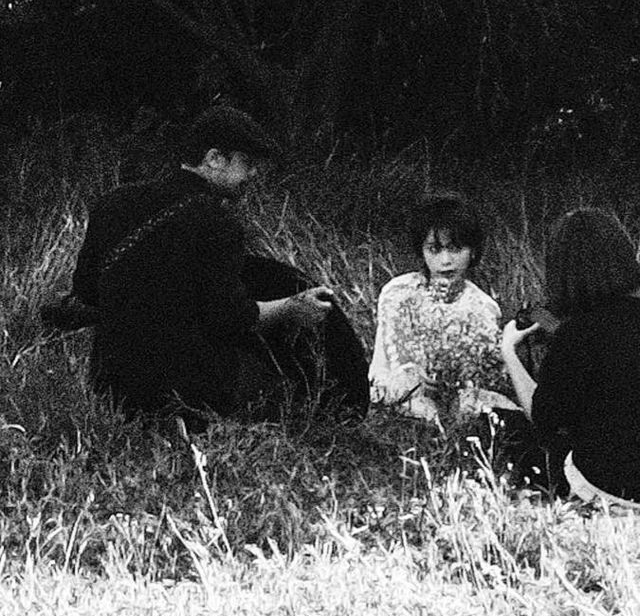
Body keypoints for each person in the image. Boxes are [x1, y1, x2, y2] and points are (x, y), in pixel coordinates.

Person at [59, 105, 367, 424]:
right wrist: (292, 307)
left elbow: (87, 290)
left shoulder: (114, 202)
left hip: (111, 386)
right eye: (247, 163)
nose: (253, 174)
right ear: (214, 158)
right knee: (291, 396)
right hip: (184, 393)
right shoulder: (216, 222)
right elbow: (232, 319)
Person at [501, 209, 640, 507]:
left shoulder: (575, 335)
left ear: (559, 271)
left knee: (513, 430)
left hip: (609, 485)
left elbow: (543, 418)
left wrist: (509, 352)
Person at [369, 194, 518, 422]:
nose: (446, 260)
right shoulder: (399, 293)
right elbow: (397, 362)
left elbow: (481, 374)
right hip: (397, 390)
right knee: (422, 406)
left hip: (455, 398)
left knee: (482, 405)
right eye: (434, 249)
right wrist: (419, 376)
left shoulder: (483, 307)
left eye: (455, 249)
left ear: (472, 251)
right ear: (422, 251)